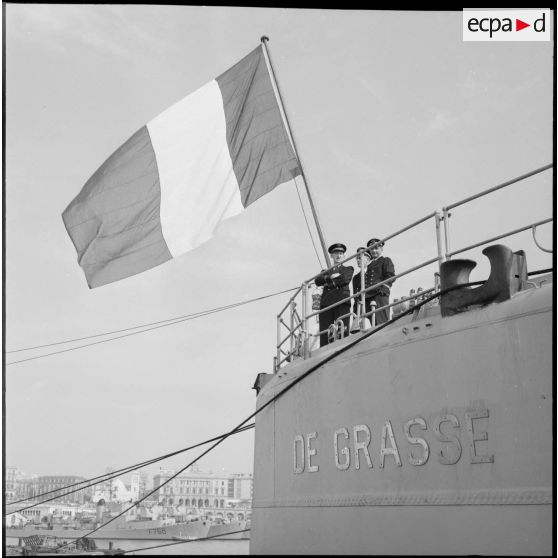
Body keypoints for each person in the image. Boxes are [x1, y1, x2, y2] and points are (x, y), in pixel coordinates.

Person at [315, 243, 354, 346]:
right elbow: (317, 281)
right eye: (336, 253)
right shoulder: (325, 271)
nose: (338, 256)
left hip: (342, 301)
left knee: (342, 331)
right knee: (324, 333)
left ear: (344, 256)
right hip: (326, 303)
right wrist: (332, 276)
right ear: (331, 255)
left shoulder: (348, 269)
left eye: (341, 253)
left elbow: (345, 279)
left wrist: (328, 280)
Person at [363, 238, 395, 325]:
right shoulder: (367, 265)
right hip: (367, 297)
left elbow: (390, 276)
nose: (374, 251)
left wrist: (383, 289)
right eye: (372, 249)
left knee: (380, 322)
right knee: (368, 324)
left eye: (376, 248)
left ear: (381, 249)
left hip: (379, 295)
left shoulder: (385, 261)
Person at [351, 247, 372, 332]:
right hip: (358, 307)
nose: (358, 260)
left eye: (360, 258)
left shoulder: (372, 273)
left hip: (369, 304)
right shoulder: (355, 277)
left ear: (368, 260)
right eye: (357, 258)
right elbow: (355, 294)